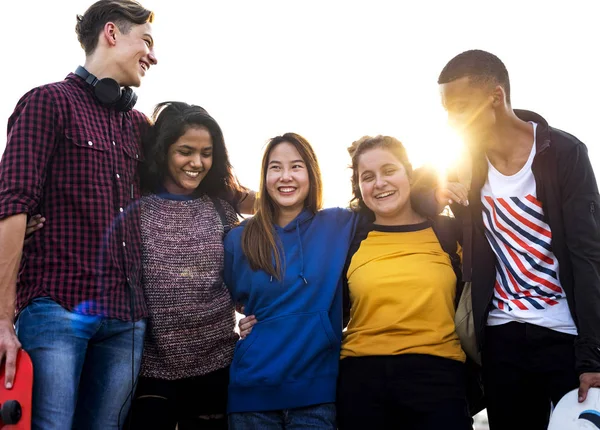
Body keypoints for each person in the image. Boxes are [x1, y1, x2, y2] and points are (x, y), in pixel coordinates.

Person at [417, 49, 600, 430]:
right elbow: (418, 189)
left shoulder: (564, 153)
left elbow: (589, 256)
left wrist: (592, 357)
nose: (453, 121)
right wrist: (435, 195)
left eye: (461, 107)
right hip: (501, 338)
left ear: (496, 97)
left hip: (564, 336)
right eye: (447, 110)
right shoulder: (465, 160)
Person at [0, 1, 157, 428]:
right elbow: (12, 207)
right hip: (56, 310)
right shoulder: (46, 103)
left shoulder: (140, 126)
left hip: (127, 319)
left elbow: (201, 175)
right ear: (111, 33)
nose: (154, 55)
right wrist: (1, 319)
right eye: (146, 41)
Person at [127, 101, 255, 430]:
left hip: (218, 368)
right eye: (186, 151)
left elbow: (245, 280)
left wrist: (256, 318)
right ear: (164, 151)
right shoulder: (136, 208)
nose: (197, 163)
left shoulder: (222, 211)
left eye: (207, 153)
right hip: (151, 372)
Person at [224, 133, 361, 429]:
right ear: (265, 176)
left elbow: (388, 193)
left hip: (317, 394)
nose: (286, 176)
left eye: (296, 166)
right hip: (252, 394)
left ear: (311, 174)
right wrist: (242, 324)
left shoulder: (340, 224)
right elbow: (225, 302)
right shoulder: (239, 239)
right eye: (275, 167)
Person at [336, 135, 471, 430]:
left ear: (409, 175)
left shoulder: (449, 233)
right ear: (359, 187)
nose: (379, 183)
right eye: (367, 177)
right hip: (362, 382)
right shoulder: (349, 239)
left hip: (439, 377)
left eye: (389, 171)